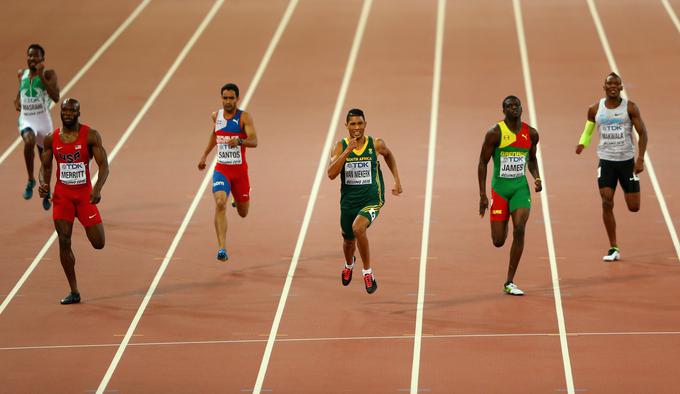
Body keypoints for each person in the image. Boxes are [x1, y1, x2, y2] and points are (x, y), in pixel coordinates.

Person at [38, 98, 109, 304]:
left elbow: (104, 166)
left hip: (84, 196)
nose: (67, 114)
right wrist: (43, 184)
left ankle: (75, 289)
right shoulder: (52, 139)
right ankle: (74, 290)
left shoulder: (91, 136)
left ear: (78, 113)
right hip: (63, 197)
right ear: (60, 113)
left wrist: (97, 188)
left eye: (72, 111)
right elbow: (45, 168)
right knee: (64, 239)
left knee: (99, 243)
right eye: (65, 110)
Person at [327, 108, 402, 294]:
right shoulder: (340, 146)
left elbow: (389, 155)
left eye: (360, 123)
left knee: (358, 228)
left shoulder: (375, 144)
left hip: (372, 199)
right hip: (348, 202)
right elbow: (331, 174)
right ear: (346, 126)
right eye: (352, 124)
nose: (357, 127)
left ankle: (368, 272)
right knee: (348, 242)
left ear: (365, 124)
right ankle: (349, 263)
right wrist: (348, 151)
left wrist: (397, 180)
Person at [575, 72, 648, 261]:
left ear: (621, 87)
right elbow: (588, 129)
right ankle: (613, 247)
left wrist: (640, 160)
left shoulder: (630, 108)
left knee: (634, 207)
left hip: (626, 161)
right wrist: (583, 143)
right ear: (604, 87)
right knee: (606, 201)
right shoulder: (594, 109)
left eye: (617, 84)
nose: (613, 86)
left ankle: (630, 188)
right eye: (610, 84)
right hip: (606, 161)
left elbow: (643, 133)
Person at [478, 96, 542, 296]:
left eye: (516, 105)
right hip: (500, 190)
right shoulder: (495, 133)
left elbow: (531, 159)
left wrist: (537, 177)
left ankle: (510, 281)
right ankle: (503, 217)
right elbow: (482, 162)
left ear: (522, 108)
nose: (513, 108)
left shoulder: (531, 133)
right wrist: (482, 194)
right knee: (498, 241)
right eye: (509, 106)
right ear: (503, 110)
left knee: (520, 229)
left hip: (520, 188)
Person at [198, 83, 257, 261]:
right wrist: (204, 156)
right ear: (221, 98)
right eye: (225, 98)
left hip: (239, 173)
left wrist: (239, 141)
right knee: (220, 202)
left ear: (237, 99)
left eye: (231, 98)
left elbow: (254, 141)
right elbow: (215, 135)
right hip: (222, 170)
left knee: (243, 213)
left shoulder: (244, 118)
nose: (228, 101)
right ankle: (222, 248)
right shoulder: (216, 116)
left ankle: (237, 198)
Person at [15, 43, 60, 209]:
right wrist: (17, 100)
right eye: (29, 55)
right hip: (27, 120)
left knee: (46, 161)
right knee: (28, 141)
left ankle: (45, 190)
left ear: (43, 59)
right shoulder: (22, 74)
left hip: (43, 122)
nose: (32, 59)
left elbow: (56, 97)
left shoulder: (49, 74)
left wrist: (41, 76)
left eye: (35, 56)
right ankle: (30, 180)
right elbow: (21, 92)